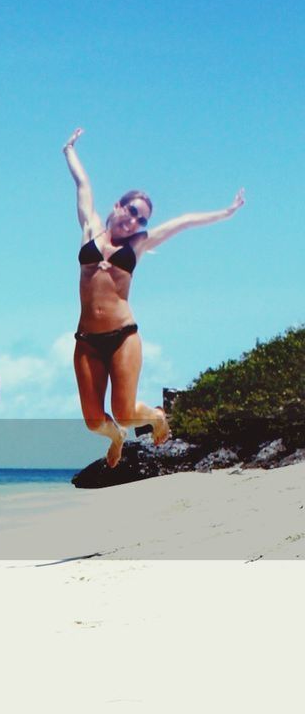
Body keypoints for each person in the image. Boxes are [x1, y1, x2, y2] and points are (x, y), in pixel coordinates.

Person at [63, 127, 245, 466]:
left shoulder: (139, 244)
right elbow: (83, 186)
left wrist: (226, 212)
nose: (134, 221)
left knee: (126, 411)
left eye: (141, 218)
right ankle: (115, 436)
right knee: (93, 420)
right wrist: (69, 150)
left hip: (122, 336)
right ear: (117, 206)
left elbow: (185, 222)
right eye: (131, 211)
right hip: (86, 339)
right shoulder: (90, 227)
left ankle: (158, 416)